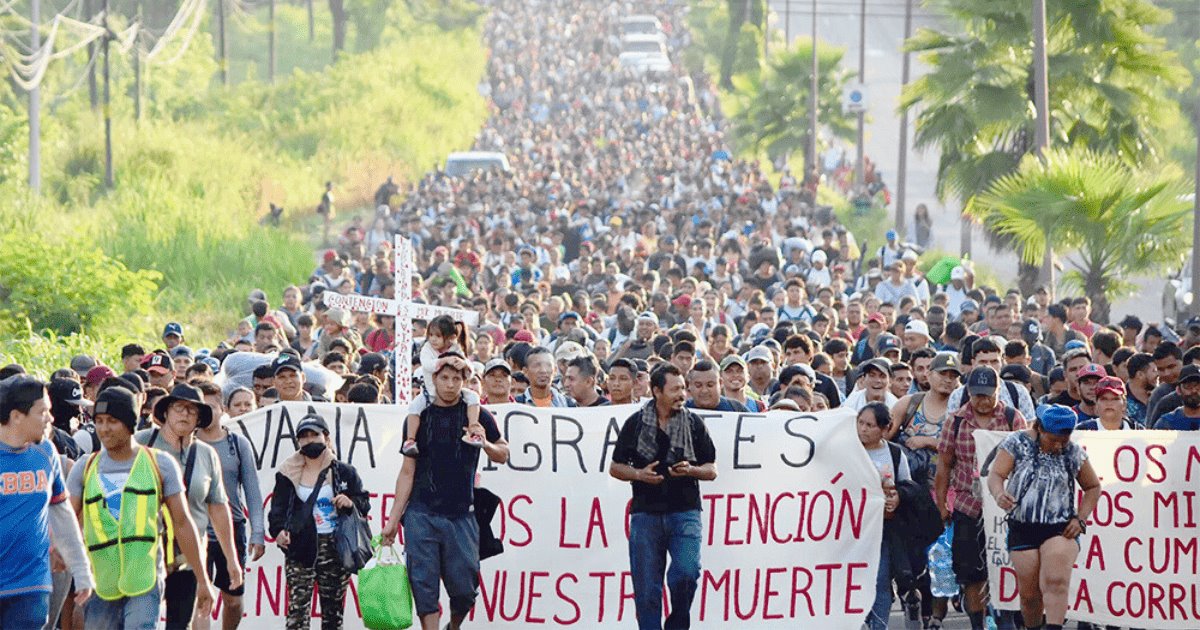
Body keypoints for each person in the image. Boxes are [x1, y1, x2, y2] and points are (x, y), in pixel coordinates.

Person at [68, 386, 215, 630]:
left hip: (144, 580)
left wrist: (202, 579)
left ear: (130, 423)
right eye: (100, 421)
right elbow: (68, 522)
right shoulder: (85, 468)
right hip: (100, 582)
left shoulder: (159, 464)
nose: (104, 429)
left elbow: (182, 522)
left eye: (112, 421)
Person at [380, 355, 510, 630]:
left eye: (456, 379)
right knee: (424, 588)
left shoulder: (477, 414)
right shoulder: (419, 417)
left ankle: (454, 625)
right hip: (421, 513)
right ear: (434, 379)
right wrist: (393, 520)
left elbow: (503, 453)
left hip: (462, 515)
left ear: (464, 382)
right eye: (445, 378)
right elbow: (407, 472)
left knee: (464, 590)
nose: (450, 385)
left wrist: (485, 443)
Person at [609, 364, 718, 630]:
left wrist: (691, 470)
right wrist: (638, 475)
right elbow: (615, 467)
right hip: (645, 515)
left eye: (683, 388)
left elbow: (711, 469)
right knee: (647, 591)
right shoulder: (635, 424)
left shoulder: (694, 423)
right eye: (675, 389)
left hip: (686, 513)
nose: (682, 394)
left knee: (687, 573)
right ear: (656, 391)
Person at [136, 383, 242, 629]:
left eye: (192, 411)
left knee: (180, 624)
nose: (184, 414)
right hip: (143, 550)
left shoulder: (206, 455)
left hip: (189, 555)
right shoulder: (141, 444)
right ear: (165, 413)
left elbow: (218, 507)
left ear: (199, 419)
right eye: (179, 408)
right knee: (141, 621)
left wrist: (231, 559)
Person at [987, 405, 1100, 630]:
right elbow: (996, 474)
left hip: (1060, 526)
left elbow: (1093, 486)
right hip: (1023, 526)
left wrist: (1081, 518)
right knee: (1030, 595)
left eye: (1064, 439)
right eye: (1053, 439)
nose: (1058, 445)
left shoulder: (1074, 452)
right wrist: (999, 494)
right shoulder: (1016, 444)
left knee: (1056, 581)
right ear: (1039, 429)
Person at [935, 366, 1028, 630]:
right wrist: (942, 504)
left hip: (1005, 507)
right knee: (971, 574)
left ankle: (1008, 619)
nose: (982, 401)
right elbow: (944, 465)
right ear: (968, 393)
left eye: (988, 395)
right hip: (968, 505)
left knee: (1008, 568)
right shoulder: (955, 421)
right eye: (977, 395)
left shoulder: (1012, 418)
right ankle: (977, 623)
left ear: (998, 392)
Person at [0, 376, 93, 629]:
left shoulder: (46, 453)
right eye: (43, 412)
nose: (50, 419)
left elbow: (62, 514)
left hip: (31, 585)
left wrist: (82, 570)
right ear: (17, 416)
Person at [268, 413, 371, 630]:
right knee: (297, 615)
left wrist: (350, 502)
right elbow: (277, 511)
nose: (309, 440)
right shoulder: (287, 473)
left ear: (326, 437)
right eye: (304, 436)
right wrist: (278, 531)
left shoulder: (344, 472)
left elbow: (363, 502)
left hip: (335, 548)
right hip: (300, 548)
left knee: (333, 615)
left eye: (314, 434)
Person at [195, 382, 265, 630]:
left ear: (222, 408)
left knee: (233, 599)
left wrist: (258, 532)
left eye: (210, 407)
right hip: (195, 529)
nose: (205, 413)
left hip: (231, 528)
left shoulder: (238, 444)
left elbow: (253, 492)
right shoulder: (186, 444)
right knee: (199, 599)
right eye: (199, 407)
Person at [857, 401, 908, 630]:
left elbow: (906, 486)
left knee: (880, 581)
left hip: (882, 530)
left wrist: (897, 498)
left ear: (885, 429)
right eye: (860, 423)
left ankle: (879, 625)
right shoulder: (846, 449)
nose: (863, 429)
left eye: (870, 425)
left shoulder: (895, 454)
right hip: (849, 531)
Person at [402, 316, 482, 456]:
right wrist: (444, 360)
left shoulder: (456, 348)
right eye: (431, 335)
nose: (433, 339)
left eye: (438, 336)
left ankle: (474, 429)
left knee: (473, 397)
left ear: (451, 337)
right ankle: (410, 440)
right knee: (414, 408)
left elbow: (468, 372)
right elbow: (427, 365)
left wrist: (464, 364)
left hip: (454, 393)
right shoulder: (427, 348)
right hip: (430, 393)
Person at [1076, 377, 1142, 430]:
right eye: (1104, 399)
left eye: (1115, 399)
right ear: (1096, 403)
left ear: (1124, 404)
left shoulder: (1137, 430)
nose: (1109, 403)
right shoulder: (1081, 431)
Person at [1153, 364, 1200, 430]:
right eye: (1188, 386)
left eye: (1198, 386)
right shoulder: (1167, 423)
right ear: (1178, 390)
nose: (1194, 390)